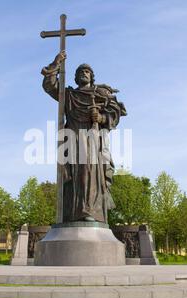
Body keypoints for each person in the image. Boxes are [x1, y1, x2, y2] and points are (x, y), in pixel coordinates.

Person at [41, 51, 127, 223]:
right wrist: (55, 64)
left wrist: (102, 118)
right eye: (80, 72)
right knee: (72, 176)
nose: (83, 73)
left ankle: (90, 211)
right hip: (72, 139)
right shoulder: (69, 95)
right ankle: (72, 214)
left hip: (92, 138)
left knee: (89, 173)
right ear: (75, 77)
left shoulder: (99, 93)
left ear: (92, 77)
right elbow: (50, 86)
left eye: (87, 71)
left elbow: (116, 110)